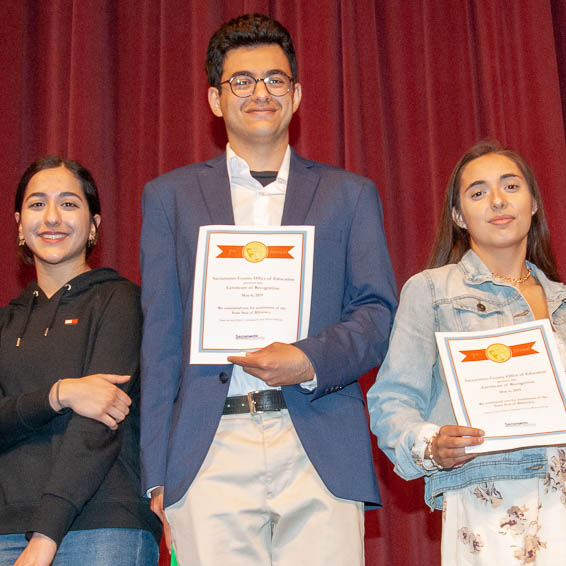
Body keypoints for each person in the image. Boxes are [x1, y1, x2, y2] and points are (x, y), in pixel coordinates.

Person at [140, 13, 397, 566]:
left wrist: (307, 360)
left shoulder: (349, 195)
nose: (261, 92)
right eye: (242, 81)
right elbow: (160, 340)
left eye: (275, 80)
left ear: (297, 93)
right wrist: (157, 473)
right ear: (214, 99)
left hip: (318, 439)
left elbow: (377, 314)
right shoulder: (170, 198)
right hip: (209, 449)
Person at [367, 141, 566, 564]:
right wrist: (431, 443)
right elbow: (391, 401)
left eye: (511, 186)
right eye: (477, 192)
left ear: (533, 204)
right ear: (459, 217)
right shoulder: (431, 291)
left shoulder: (563, 300)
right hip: (492, 504)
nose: (497, 200)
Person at [0, 157, 161, 566]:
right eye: (37, 205)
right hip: (7, 530)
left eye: (69, 204)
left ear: (93, 225)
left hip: (103, 527)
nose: (52, 217)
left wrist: (46, 535)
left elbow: (97, 425)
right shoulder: (5, 321)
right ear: (19, 223)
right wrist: (59, 395)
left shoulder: (119, 300)